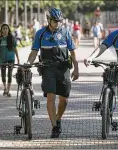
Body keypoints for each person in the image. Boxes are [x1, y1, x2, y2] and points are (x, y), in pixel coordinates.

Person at [26, 7, 79, 138]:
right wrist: (28, 63)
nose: (58, 23)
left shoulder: (66, 32)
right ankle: (55, 126)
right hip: (48, 68)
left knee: (64, 99)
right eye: (55, 21)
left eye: (59, 21)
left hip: (63, 68)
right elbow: (34, 51)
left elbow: (72, 51)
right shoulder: (40, 33)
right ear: (49, 20)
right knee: (51, 96)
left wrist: (76, 68)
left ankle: (58, 119)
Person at [0, 23, 20, 97]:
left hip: (11, 59)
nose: (5, 30)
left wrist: (18, 58)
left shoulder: (12, 38)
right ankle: (5, 88)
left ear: (8, 30)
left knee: (9, 74)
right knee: (3, 75)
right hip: (2, 59)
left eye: (6, 28)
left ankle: (8, 90)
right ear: (1, 30)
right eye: (3, 29)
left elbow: (15, 49)